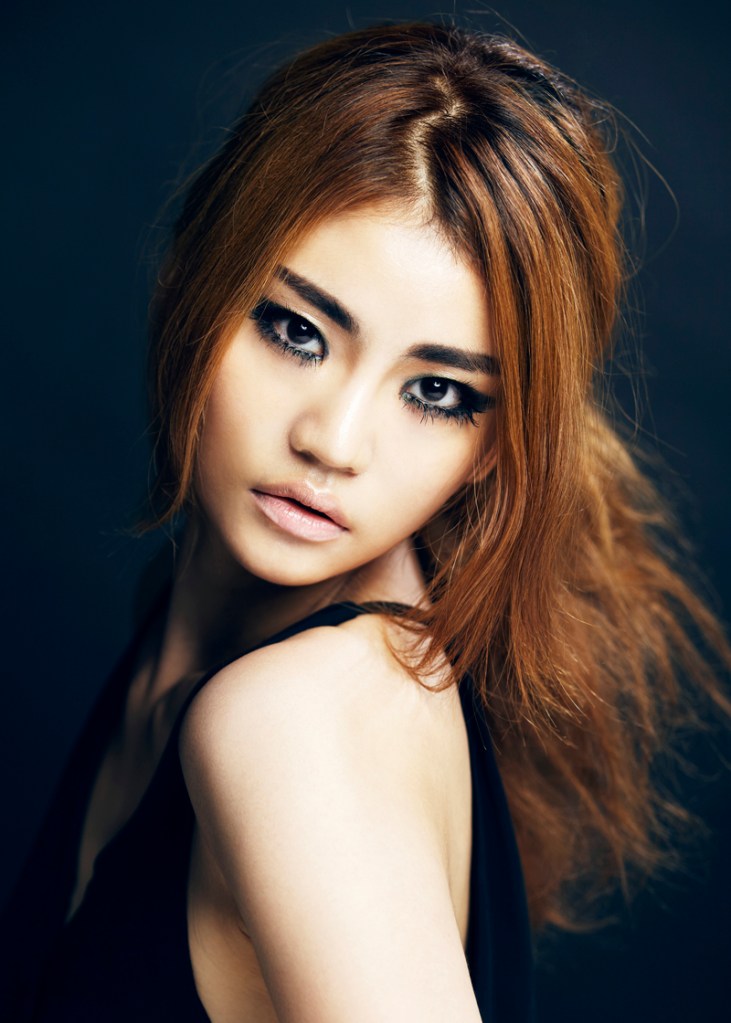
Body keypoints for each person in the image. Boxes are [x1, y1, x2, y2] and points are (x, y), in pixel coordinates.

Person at [1, 19, 729, 1023]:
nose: (333, 442)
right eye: (295, 330)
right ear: (194, 280)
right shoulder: (203, 626)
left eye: (436, 392)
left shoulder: (296, 728)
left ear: (493, 445)